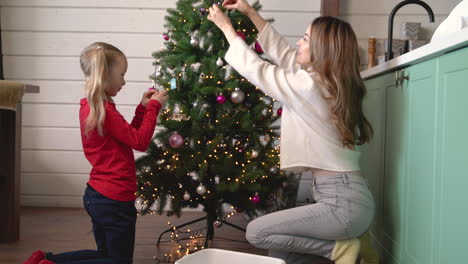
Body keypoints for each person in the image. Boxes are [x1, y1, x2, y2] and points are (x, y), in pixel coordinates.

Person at [208, 1, 378, 263]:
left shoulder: (309, 86)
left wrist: (227, 29)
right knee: (283, 252)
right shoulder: (329, 83)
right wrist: (251, 13)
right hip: (352, 200)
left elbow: (259, 70)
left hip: (341, 204)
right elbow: (287, 56)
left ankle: (341, 250)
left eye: (305, 38)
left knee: (258, 232)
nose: (298, 43)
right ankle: (355, 244)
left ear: (322, 50)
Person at [23, 42, 168, 264]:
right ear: (105, 75)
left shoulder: (94, 106)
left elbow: (127, 136)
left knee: (106, 256)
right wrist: (154, 108)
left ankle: (45, 260)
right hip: (114, 200)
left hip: (99, 196)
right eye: (121, 75)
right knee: (118, 261)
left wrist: (142, 108)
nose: (124, 81)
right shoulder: (105, 111)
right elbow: (140, 142)